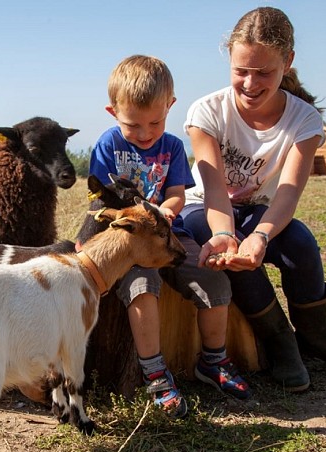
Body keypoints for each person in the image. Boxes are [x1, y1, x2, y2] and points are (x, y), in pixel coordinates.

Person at [181, 7, 326, 393]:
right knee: (217, 236)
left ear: (287, 63)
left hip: (259, 212)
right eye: (241, 71)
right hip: (206, 207)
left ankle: (318, 339)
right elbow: (215, 190)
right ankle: (280, 343)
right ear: (230, 60)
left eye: (264, 72)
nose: (250, 83)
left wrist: (262, 237)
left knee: (300, 242)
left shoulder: (304, 121)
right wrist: (227, 237)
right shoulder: (206, 112)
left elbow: (288, 193)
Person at [89, 55, 252, 418]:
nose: (146, 133)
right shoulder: (106, 144)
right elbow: (103, 199)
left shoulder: (174, 147)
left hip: (169, 234)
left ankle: (213, 360)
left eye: (156, 122)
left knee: (212, 278)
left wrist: (167, 209)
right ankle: (155, 373)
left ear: (170, 106)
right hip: (125, 241)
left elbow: (177, 193)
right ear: (112, 112)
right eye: (134, 125)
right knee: (142, 287)